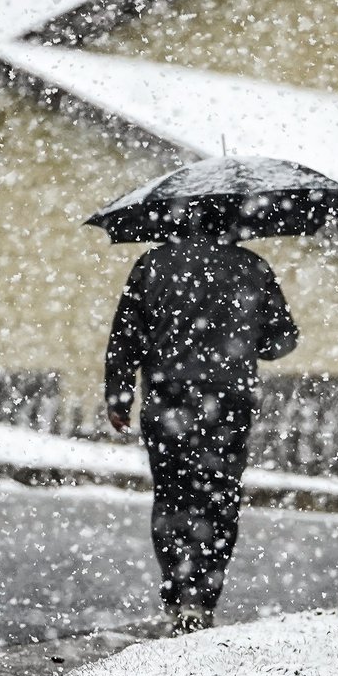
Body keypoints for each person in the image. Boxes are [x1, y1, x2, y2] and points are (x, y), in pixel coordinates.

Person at [105, 211, 298, 632]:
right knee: (219, 499)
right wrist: (243, 338)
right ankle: (203, 597)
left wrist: (119, 395)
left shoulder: (152, 265)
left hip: (167, 398)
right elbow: (282, 340)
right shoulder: (252, 267)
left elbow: (126, 337)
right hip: (227, 403)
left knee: (172, 497)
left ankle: (177, 593)